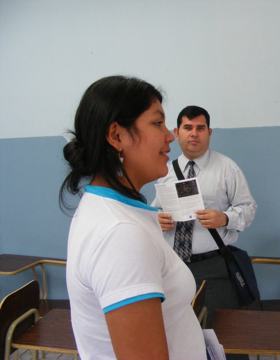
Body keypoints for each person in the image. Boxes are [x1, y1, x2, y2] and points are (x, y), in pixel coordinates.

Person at [60, 76, 207, 360]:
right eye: (157, 123)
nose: (169, 136)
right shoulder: (120, 234)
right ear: (117, 136)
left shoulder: (115, 211)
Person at [152, 105, 257, 325]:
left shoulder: (227, 168)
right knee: (177, 333)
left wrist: (225, 218)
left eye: (200, 128)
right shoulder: (164, 170)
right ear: (176, 132)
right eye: (187, 127)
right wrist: (157, 218)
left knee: (223, 335)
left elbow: (248, 208)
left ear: (209, 132)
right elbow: (155, 209)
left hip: (213, 268)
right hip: (173, 266)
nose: (193, 133)